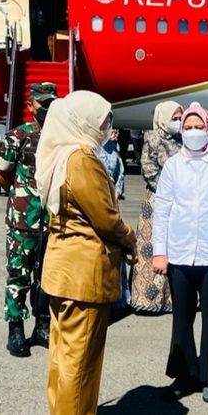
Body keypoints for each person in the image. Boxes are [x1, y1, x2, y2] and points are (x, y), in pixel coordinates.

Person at [36, 91, 137, 415]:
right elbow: (106, 218)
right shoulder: (82, 159)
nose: (108, 124)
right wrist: (130, 238)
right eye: (103, 118)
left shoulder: (62, 154)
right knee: (80, 364)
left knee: (63, 358)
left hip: (63, 271)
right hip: (84, 276)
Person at [152, 102, 208, 404]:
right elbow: (162, 210)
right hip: (178, 253)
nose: (192, 132)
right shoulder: (173, 165)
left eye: (198, 126)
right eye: (187, 127)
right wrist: (159, 252)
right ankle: (184, 374)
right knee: (182, 318)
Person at [0, 82, 57, 357]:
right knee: (19, 276)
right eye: (43, 104)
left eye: (52, 103)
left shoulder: (61, 136)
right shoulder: (17, 136)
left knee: (48, 277)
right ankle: (16, 330)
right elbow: (1, 176)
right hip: (22, 220)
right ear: (31, 105)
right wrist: (22, 195)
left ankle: (43, 327)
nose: (47, 108)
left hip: (52, 220)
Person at [129, 101, 183, 313]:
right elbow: (148, 169)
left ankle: (170, 298)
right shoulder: (152, 138)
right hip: (158, 198)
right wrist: (169, 190)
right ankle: (147, 300)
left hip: (180, 200)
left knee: (173, 245)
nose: (178, 122)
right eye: (174, 118)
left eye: (180, 117)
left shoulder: (182, 138)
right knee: (152, 246)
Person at [97, 128, 129, 309]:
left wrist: (116, 192)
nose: (114, 131)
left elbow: (120, 171)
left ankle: (118, 297)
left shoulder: (112, 148)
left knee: (116, 249)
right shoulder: (90, 147)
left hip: (112, 203)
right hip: (96, 204)